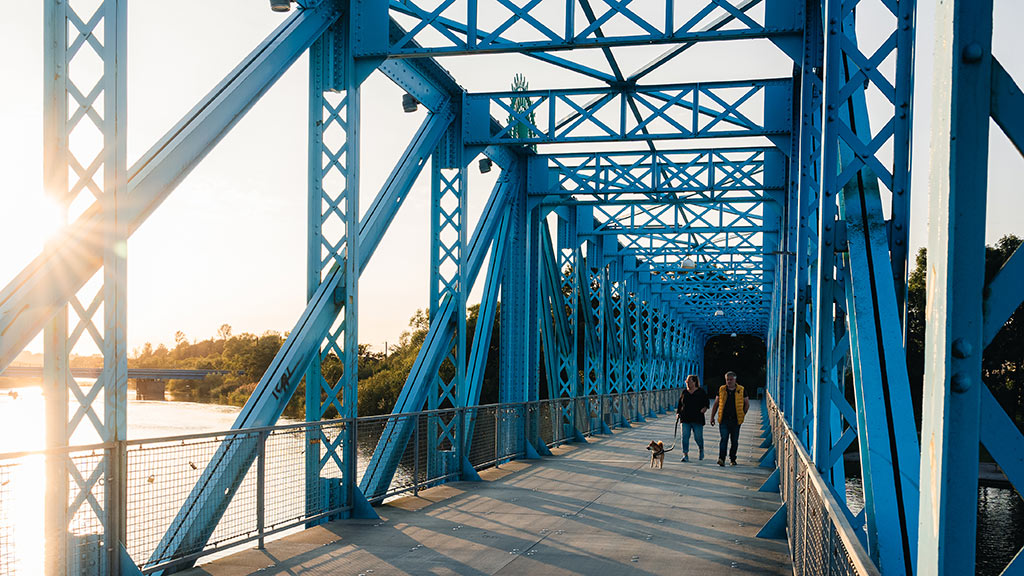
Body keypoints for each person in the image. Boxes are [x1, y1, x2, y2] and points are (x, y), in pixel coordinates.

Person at [709, 371, 749, 466]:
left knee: (734, 441)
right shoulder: (722, 389)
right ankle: (721, 458)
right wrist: (712, 417)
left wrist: (742, 414)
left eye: (731, 379)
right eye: (727, 380)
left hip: (736, 420)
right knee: (724, 438)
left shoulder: (741, 390)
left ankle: (732, 459)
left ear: (735, 380)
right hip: (724, 419)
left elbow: (746, 403)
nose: (729, 381)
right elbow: (716, 404)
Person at [675, 374, 709, 462]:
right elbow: (680, 404)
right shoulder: (684, 392)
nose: (687, 382)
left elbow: (706, 403)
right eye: (686, 381)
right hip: (685, 418)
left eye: (689, 381)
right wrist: (678, 413)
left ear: (694, 382)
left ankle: (701, 449)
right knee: (684, 436)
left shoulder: (701, 392)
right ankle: (685, 454)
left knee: (698, 437)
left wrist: (704, 409)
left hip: (697, 418)